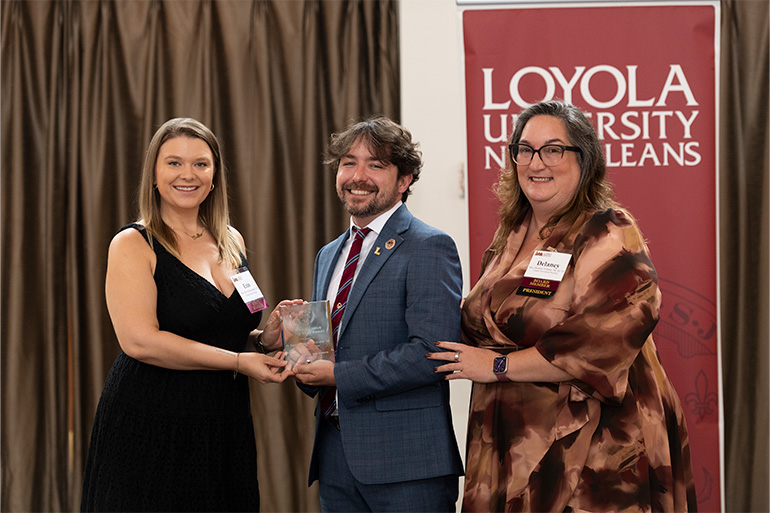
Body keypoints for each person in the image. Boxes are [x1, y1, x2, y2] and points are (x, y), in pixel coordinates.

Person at [427, 100, 698, 512]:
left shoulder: (607, 230)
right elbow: (475, 324)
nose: (537, 162)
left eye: (554, 149)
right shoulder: (511, 237)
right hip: (513, 446)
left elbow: (599, 344)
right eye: (525, 149)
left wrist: (496, 366)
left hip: (594, 454)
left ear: (584, 160)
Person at [81, 118, 297, 512]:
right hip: (151, 418)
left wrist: (266, 338)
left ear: (214, 177)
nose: (188, 174)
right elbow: (139, 341)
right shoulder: (133, 243)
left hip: (221, 419)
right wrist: (238, 361)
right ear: (154, 175)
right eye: (174, 163)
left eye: (201, 164)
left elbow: (224, 332)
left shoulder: (230, 239)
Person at [292, 116, 464, 512]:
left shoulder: (429, 245)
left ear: (404, 180)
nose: (358, 176)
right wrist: (301, 358)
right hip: (335, 456)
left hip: (408, 463)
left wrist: (337, 374)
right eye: (349, 163)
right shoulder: (329, 254)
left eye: (376, 165)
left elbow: (430, 353)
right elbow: (329, 349)